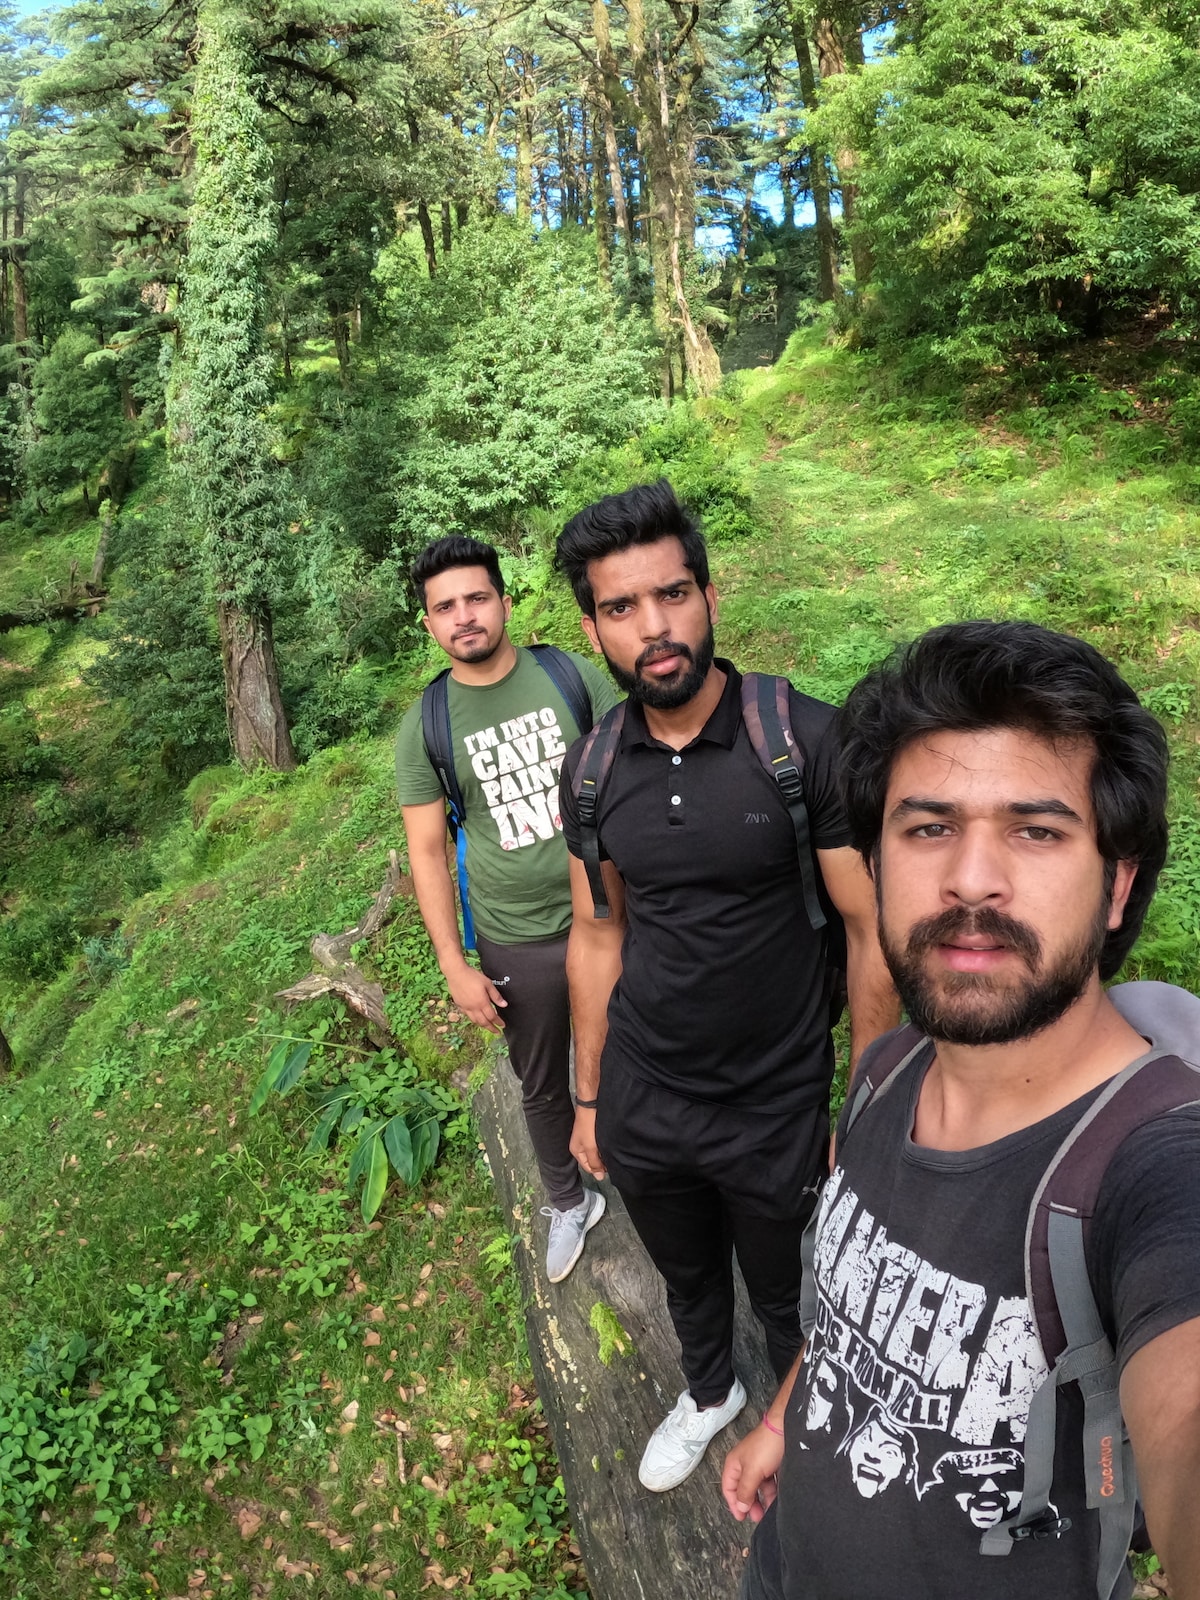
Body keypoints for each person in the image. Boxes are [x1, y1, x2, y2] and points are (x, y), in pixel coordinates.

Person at [723, 619, 1200, 1600]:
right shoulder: (887, 1070)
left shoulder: (1151, 1169)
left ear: (1117, 885)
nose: (971, 878)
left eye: (1037, 830)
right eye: (929, 827)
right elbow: (854, 1313)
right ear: (876, 865)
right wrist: (780, 1419)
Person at [554, 481, 899, 1492]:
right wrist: (589, 1097)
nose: (653, 627)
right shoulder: (591, 770)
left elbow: (872, 932)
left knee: (793, 1290)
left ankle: (805, 1432)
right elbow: (597, 933)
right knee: (688, 1273)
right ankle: (709, 1392)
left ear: (710, 596)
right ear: (593, 630)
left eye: (672, 595)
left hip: (774, 1100)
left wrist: (861, 1105)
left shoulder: (803, 743)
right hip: (647, 1092)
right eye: (621, 607)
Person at [395, 536, 620, 1281]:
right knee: (541, 1079)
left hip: (613, 913)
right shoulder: (426, 724)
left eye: (476, 598)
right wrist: (452, 964)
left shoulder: (570, 676)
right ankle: (567, 1200)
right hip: (515, 933)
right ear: (429, 622)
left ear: (505, 602)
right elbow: (427, 851)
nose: (464, 616)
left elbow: (637, 769)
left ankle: (655, 1167)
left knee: (644, 1047)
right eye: (445, 606)